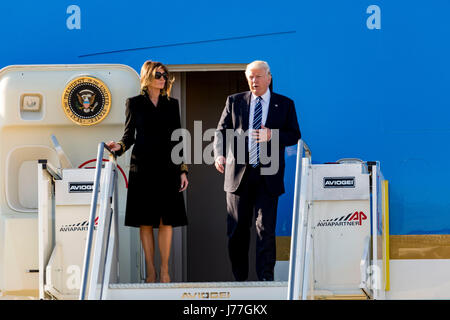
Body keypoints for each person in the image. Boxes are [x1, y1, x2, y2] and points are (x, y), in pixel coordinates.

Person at [213, 60, 301, 281]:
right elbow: (221, 132)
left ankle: (265, 278)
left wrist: (272, 135)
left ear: (269, 78)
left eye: (258, 76)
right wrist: (219, 153)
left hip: (268, 175)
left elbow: (294, 135)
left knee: (265, 230)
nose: (254, 81)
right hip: (238, 176)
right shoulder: (234, 101)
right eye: (250, 77)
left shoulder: (285, 104)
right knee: (237, 231)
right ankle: (240, 279)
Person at [107, 60, 188, 283]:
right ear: (147, 77)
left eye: (165, 75)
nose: (163, 78)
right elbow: (128, 136)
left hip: (168, 168)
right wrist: (119, 148)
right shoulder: (133, 103)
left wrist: (182, 170)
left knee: (166, 220)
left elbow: (178, 138)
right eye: (159, 75)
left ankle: (164, 271)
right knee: (145, 221)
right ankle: (150, 271)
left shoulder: (172, 104)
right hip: (142, 168)